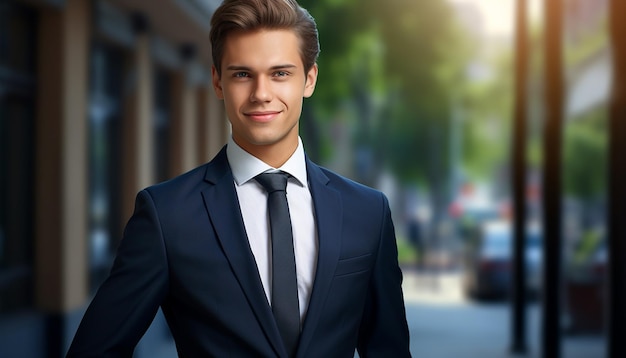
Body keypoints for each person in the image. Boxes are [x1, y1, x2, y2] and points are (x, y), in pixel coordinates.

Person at [67, 0, 411, 357]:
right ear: (218, 82)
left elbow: (389, 350)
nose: (261, 94)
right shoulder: (166, 215)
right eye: (243, 74)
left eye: (280, 73)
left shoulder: (367, 212)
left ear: (309, 79)